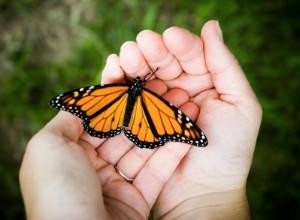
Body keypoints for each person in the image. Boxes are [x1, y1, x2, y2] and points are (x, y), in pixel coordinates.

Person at [19, 20, 262, 220]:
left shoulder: (120, 92)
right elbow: (172, 122)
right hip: (141, 125)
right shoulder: (153, 100)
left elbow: (177, 125)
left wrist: (208, 197)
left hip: (114, 114)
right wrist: (214, 198)